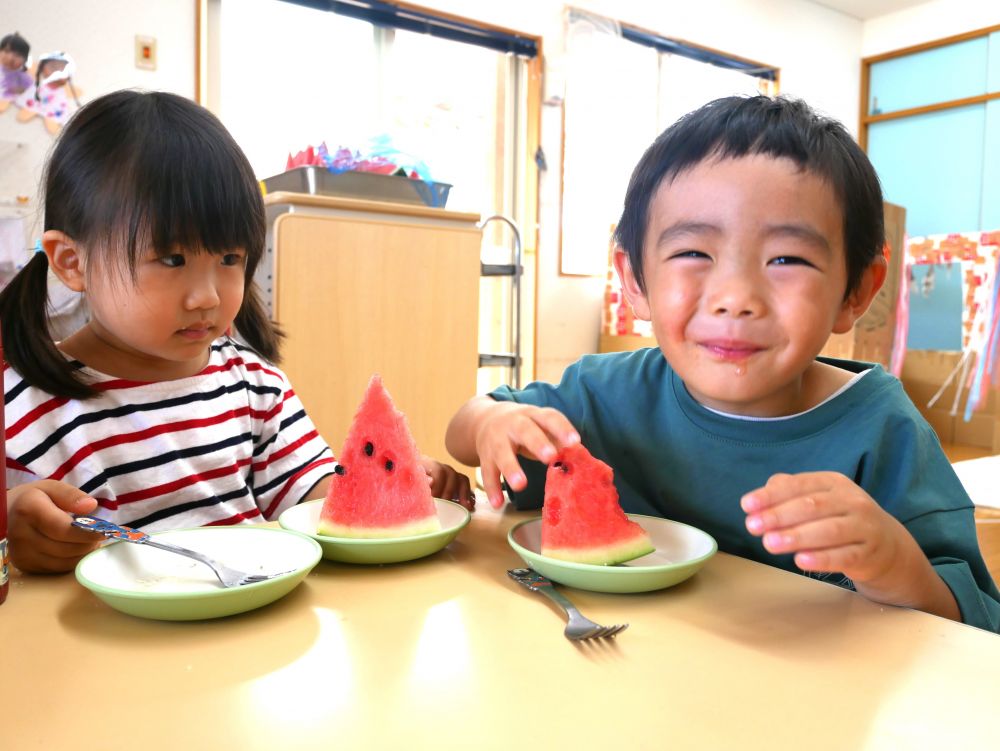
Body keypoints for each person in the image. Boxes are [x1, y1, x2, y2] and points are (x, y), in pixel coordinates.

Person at [446, 94, 1000, 632]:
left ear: (856, 291)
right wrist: (491, 422)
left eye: (787, 258)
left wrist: (895, 565)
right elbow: (469, 426)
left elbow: (976, 625)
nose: (735, 296)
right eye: (693, 253)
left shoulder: (883, 431)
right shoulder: (606, 390)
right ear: (635, 280)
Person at [2, 90, 473, 575]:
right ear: (72, 262)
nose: (207, 295)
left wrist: (394, 483)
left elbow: (310, 495)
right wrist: (17, 521)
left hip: (258, 629)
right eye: (172, 259)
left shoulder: (254, 385)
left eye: (229, 259)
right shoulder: (25, 407)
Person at [0, 31, 32, 110]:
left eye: (17, 55)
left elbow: (31, 95)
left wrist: (20, 90)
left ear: (25, 61)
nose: (11, 58)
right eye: (6, 51)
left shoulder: (24, 78)